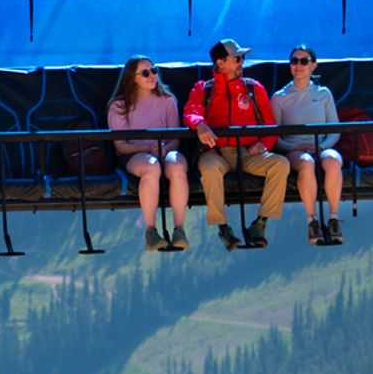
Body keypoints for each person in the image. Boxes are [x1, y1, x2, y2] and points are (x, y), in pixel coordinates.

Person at [185, 37, 287, 249]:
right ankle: (222, 226)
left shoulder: (253, 88)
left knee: (280, 164)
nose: (242, 62)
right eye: (238, 58)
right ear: (221, 63)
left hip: (248, 153)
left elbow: (270, 124)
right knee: (210, 170)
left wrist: (265, 145)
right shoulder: (203, 89)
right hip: (215, 152)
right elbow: (191, 112)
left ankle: (261, 222)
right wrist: (200, 125)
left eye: (242, 58)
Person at [109, 56, 189, 252]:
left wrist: (163, 149)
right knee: (151, 167)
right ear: (132, 78)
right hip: (134, 155)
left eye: (153, 71)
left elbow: (175, 138)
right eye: (145, 73)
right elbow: (120, 146)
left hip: (164, 150)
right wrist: (145, 148)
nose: (152, 76)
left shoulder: (168, 100)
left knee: (177, 165)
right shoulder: (119, 106)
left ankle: (179, 229)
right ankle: (151, 231)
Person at [274, 44, 343, 244]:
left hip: (321, 146)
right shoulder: (279, 97)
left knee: (332, 160)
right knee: (306, 163)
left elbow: (335, 128)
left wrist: (322, 147)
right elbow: (274, 136)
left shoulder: (323, 94)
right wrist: (292, 148)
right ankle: (312, 221)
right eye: (294, 61)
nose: (299, 65)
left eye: (304, 61)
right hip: (294, 150)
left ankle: (333, 218)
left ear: (313, 65)